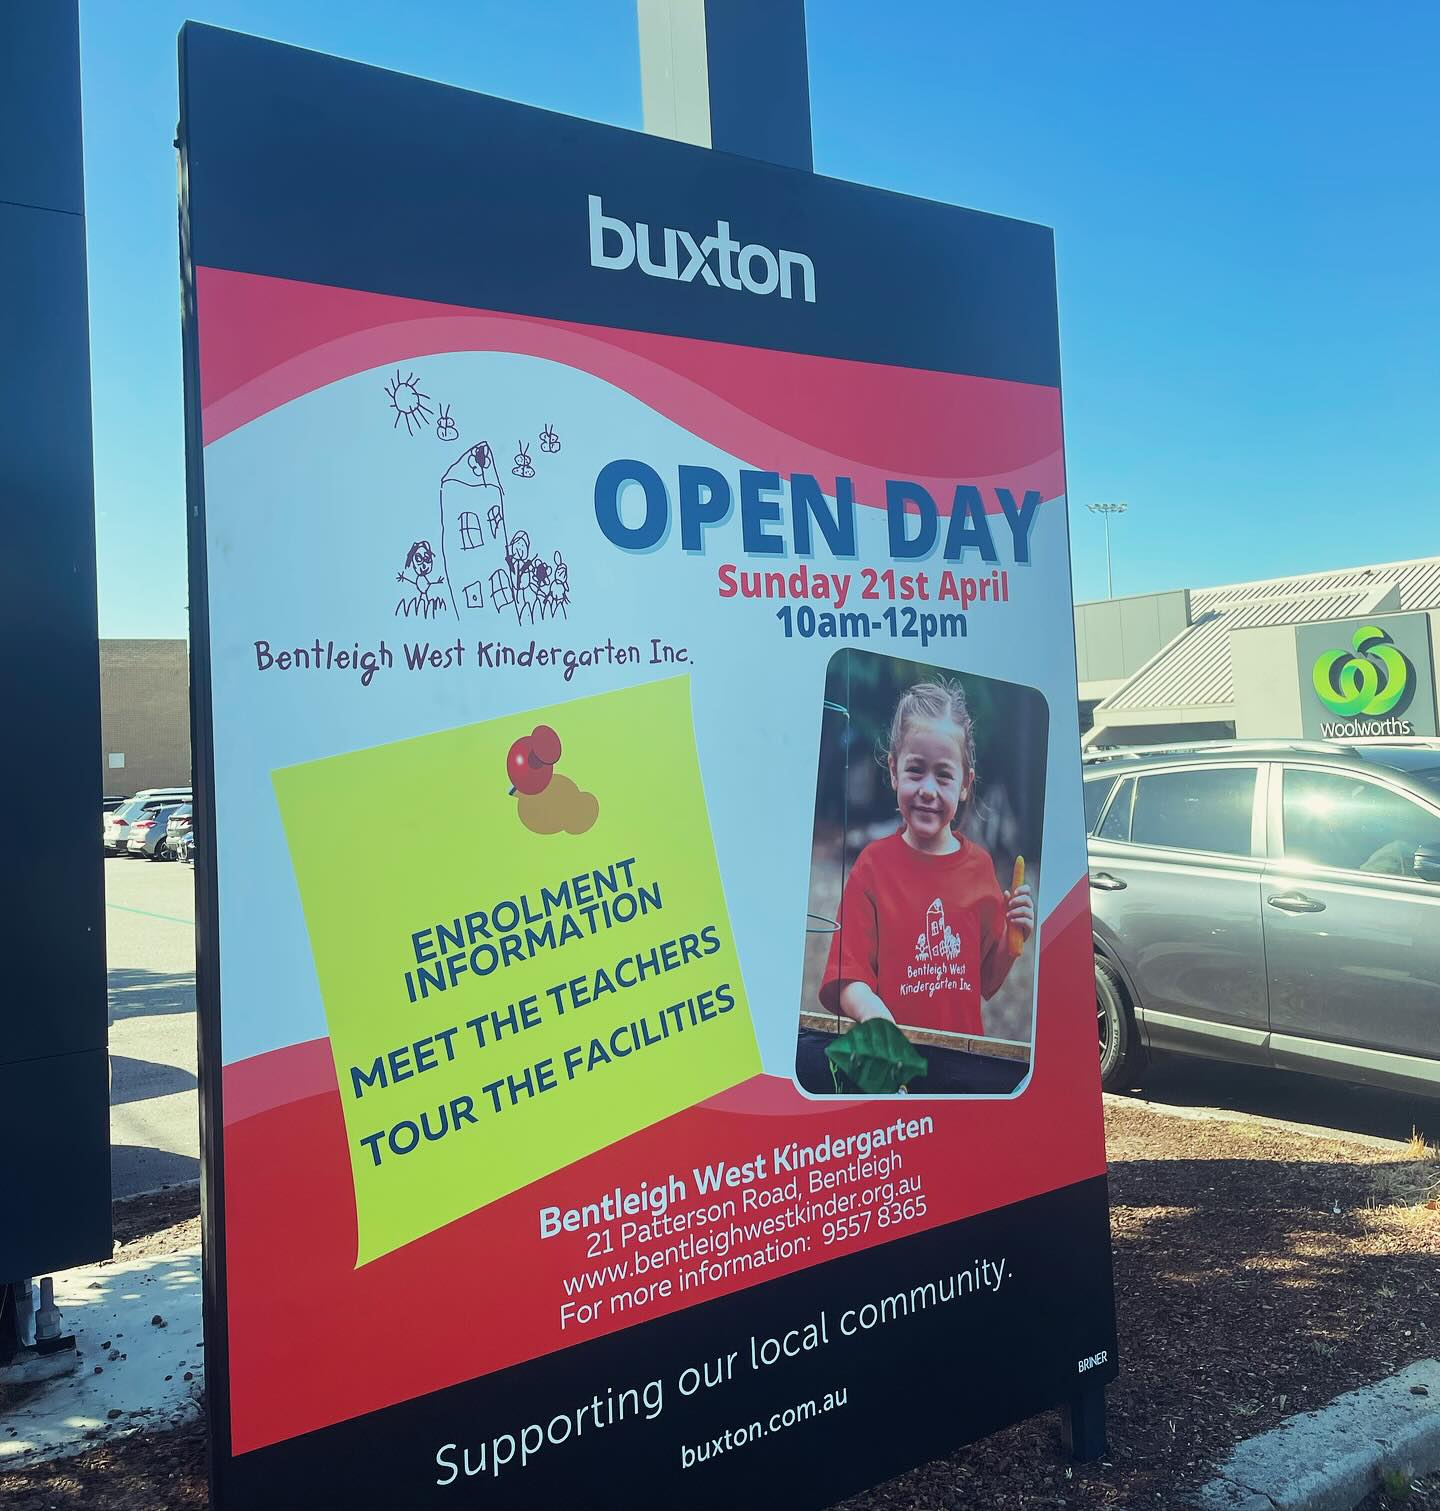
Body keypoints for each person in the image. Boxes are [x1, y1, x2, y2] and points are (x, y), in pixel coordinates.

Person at [819, 679, 1034, 1041]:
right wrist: (872, 1015)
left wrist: (1013, 940)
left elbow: (986, 980)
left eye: (944, 775)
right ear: (893, 770)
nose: (928, 790)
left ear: (965, 784)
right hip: (892, 1065)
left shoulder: (980, 867)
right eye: (915, 770)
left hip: (959, 1068)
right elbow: (846, 978)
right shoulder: (872, 866)